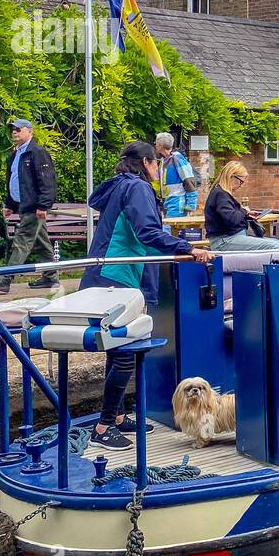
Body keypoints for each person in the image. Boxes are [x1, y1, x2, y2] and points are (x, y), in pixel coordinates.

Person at [81, 141, 211, 451]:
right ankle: (103, 426)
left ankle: (117, 415)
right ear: (146, 162)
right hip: (119, 278)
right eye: (156, 165)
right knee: (125, 354)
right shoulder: (137, 187)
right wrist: (188, 249)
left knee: (118, 351)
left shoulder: (118, 186)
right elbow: (147, 231)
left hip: (108, 275)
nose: (158, 171)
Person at [0, 118, 57, 293]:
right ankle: (51, 277)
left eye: (19, 129)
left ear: (30, 131)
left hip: (33, 206)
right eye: (13, 129)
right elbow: (14, 181)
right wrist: (9, 204)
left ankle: (5, 278)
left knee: (22, 241)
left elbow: (47, 181)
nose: (14, 132)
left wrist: (43, 205)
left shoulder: (36, 152)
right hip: (24, 205)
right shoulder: (16, 155)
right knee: (42, 243)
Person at [204, 161, 279, 252]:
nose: (240, 186)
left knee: (277, 242)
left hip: (229, 239)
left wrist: (246, 214)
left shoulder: (221, 193)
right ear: (231, 176)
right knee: (275, 245)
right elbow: (232, 219)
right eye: (240, 182)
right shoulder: (220, 194)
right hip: (224, 241)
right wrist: (244, 211)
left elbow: (230, 216)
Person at [154, 132, 198, 218]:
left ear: (160, 145)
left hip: (178, 202)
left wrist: (190, 205)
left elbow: (189, 179)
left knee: (171, 229)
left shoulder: (177, 158)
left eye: (155, 143)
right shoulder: (164, 160)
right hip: (168, 201)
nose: (155, 145)